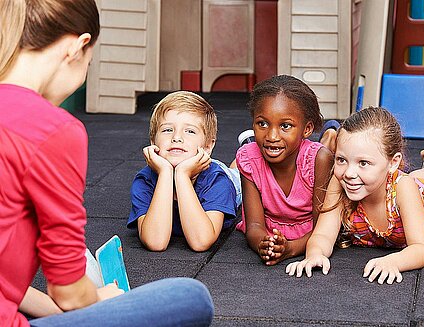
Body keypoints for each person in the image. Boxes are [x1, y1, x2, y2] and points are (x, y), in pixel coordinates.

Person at [0, 1, 213, 325]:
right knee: (191, 298)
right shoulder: (54, 129)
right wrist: (101, 302)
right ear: (78, 47)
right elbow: (68, 292)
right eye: (90, 63)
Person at [286, 107, 424, 284]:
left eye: (363, 163)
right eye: (341, 160)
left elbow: (422, 249)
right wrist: (315, 255)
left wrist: (393, 261)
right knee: (413, 178)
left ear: (393, 162)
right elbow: (323, 235)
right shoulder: (340, 183)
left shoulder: (404, 188)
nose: (349, 173)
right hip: (392, 182)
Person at [236, 75, 335, 266]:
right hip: (271, 227)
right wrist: (262, 244)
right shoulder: (248, 159)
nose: (272, 136)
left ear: (307, 129)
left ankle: (331, 135)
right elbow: (254, 225)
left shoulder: (319, 160)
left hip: (309, 232)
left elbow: (323, 228)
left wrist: (291, 249)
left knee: (336, 154)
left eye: (285, 126)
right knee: (246, 156)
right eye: (262, 124)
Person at [128, 91, 239, 252]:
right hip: (191, 165)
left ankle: (246, 152)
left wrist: (181, 175)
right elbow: (155, 242)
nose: (177, 137)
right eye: (167, 130)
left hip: (223, 175)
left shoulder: (218, 180)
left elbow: (201, 242)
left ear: (208, 146)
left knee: (241, 175)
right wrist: (166, 173)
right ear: (153, 141)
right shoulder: (144, 180)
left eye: (190, 131)